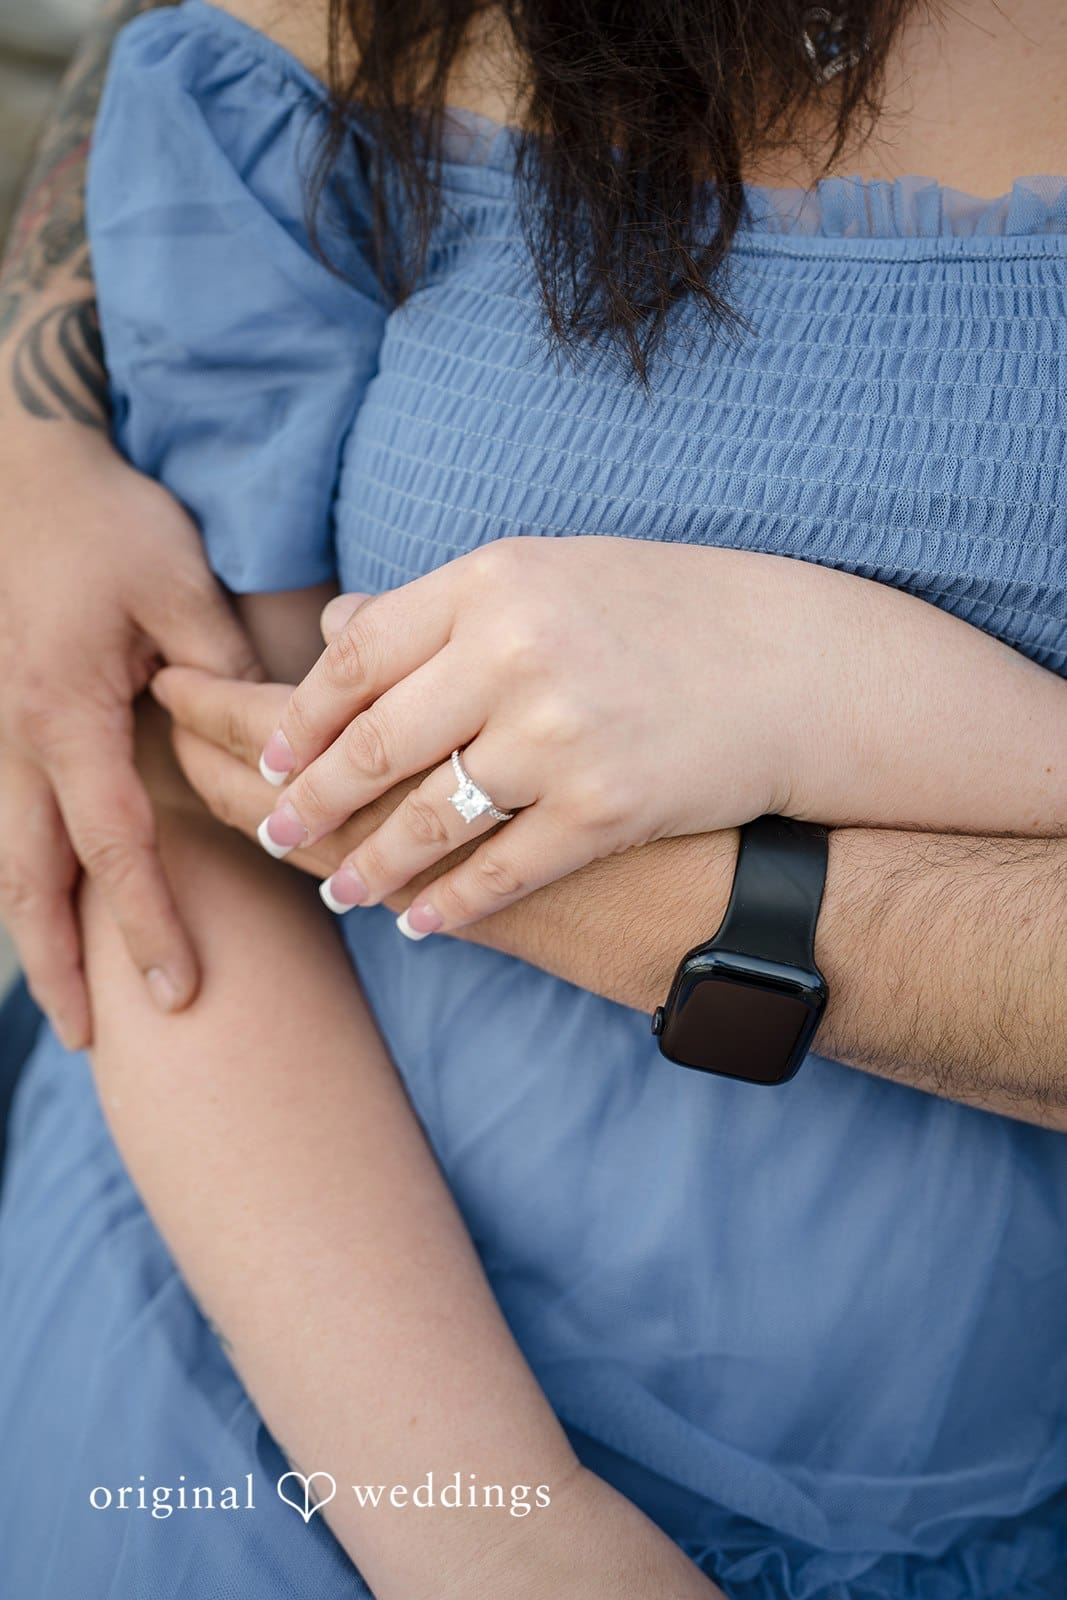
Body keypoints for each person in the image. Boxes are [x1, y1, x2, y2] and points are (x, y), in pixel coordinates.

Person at [1, 4, 1066, 1600]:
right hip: (299, 1414)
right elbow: (185, 796)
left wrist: (837, 692)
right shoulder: (333, 47)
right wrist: (501, 1537)